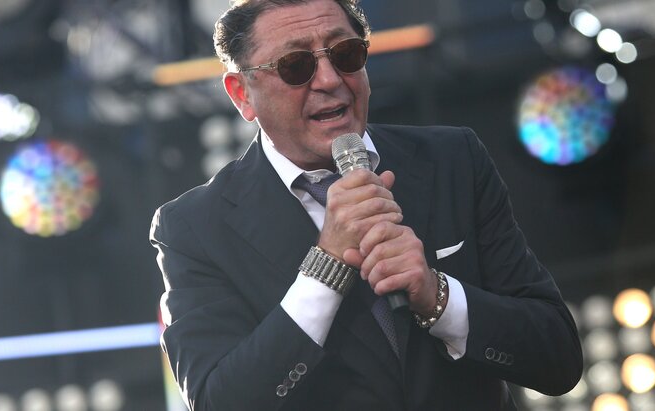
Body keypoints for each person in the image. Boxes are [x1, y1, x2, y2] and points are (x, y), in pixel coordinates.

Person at [150, 0, 583, 409]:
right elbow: (218, 401)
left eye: (346, 54)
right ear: (242, 93)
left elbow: (559, 358)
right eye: (296, 65)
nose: (329, 80)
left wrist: (437, 297)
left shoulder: (453, 160)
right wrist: (325, 268)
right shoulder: (193, 227)